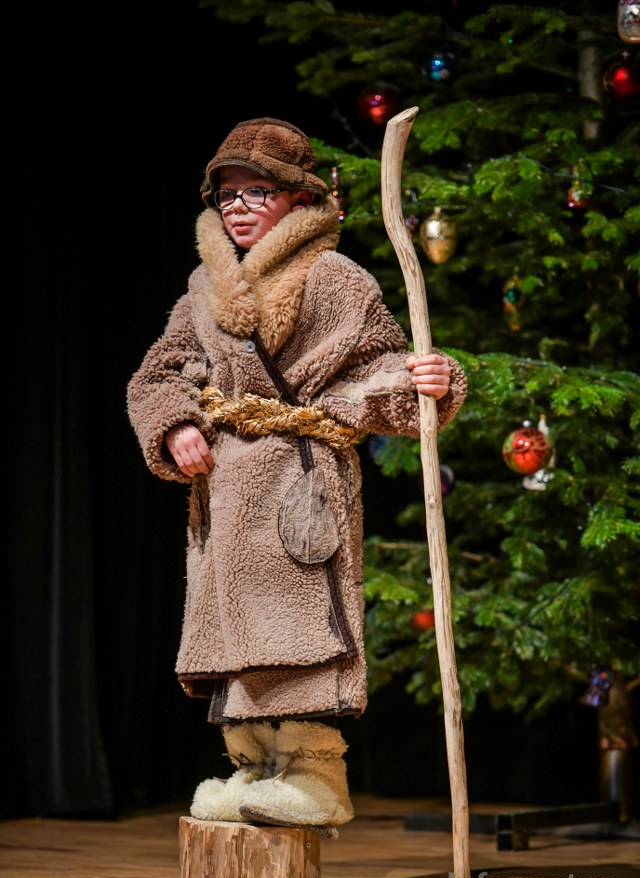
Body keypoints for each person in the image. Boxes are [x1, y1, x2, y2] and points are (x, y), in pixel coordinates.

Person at [127, 117, 467, 836]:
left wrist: (426, 383)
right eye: (227, 194)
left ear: (297, 198)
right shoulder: (202, 291)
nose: (239, 206)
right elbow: (158, 376)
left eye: (258, 190)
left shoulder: (336, 280)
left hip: (299, 485)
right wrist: (177, 424)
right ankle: (254, 766)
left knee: (300, 625)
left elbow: (376, 367)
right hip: (226, 490)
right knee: (234, 628)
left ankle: (314, 774)